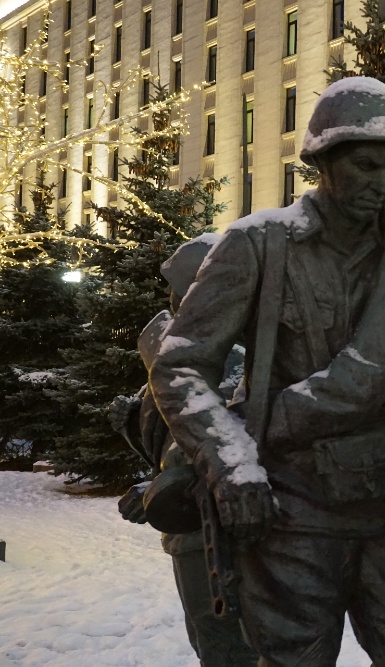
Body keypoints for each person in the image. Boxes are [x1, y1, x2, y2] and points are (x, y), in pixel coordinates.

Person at [148, 77, 385, 666]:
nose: (382, 184)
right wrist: (233, 465)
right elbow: (180, 365)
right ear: (322, 163)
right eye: (365, 165)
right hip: (293, 511)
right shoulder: (258, 244)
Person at [113, 234, 259, 667]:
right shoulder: (189, 351)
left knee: (231, 646)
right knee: (211, 641)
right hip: (191, 528)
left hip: (220, 533)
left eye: (182, 293)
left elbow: (220, 442)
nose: (175, 304)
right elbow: (170, 438)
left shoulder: (235, 360)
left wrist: (161, 485)